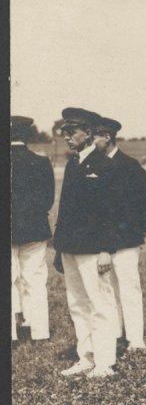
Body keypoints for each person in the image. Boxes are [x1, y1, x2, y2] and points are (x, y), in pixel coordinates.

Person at [53, 107, 123, 378]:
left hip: (94, 248)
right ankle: (87, 357)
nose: (67, 137)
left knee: (100, 303)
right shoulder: (73, 164)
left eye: (72, 131)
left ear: (90, 133)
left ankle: (106, 363)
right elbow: (65, 209)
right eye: (65, 132)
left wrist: (107, 248)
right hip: (71, 246)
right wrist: (59, 248)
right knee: (77, 303)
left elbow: (112, 212)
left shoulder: (106, 165)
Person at [92, 116, 146, 352]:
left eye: (95, 136)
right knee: (106, 290)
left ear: (107, 137)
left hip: (126, 241)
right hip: (101, 243)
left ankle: (136, 339)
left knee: (129, 288)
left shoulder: (130, 166)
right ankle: (115, 333)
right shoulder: (93, 164)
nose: (91, 141)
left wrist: (136, 232)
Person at [10, 115, 55, 343]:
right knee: (35, 281)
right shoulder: (41, 162)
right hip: (34, 229)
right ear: (27, 136)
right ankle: (40, 333)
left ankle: (11, 334)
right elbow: (47, 200)